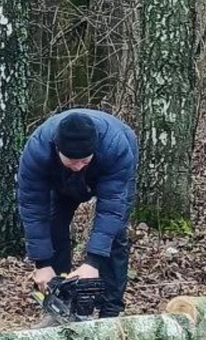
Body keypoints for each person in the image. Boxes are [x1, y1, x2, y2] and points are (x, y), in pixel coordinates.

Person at [16, 108, 138, 327]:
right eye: (73, 161)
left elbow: (111, 210)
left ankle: (110, 314)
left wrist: (93, 262)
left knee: (115, 236)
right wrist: (42, 263)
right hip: (59, 180)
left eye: (84, 161)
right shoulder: (38, 150)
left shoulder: (115, 147)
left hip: (110, 167)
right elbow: (33, 207)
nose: (79, 166)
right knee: (54, 223)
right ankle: (59, 305)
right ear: (57, 149)